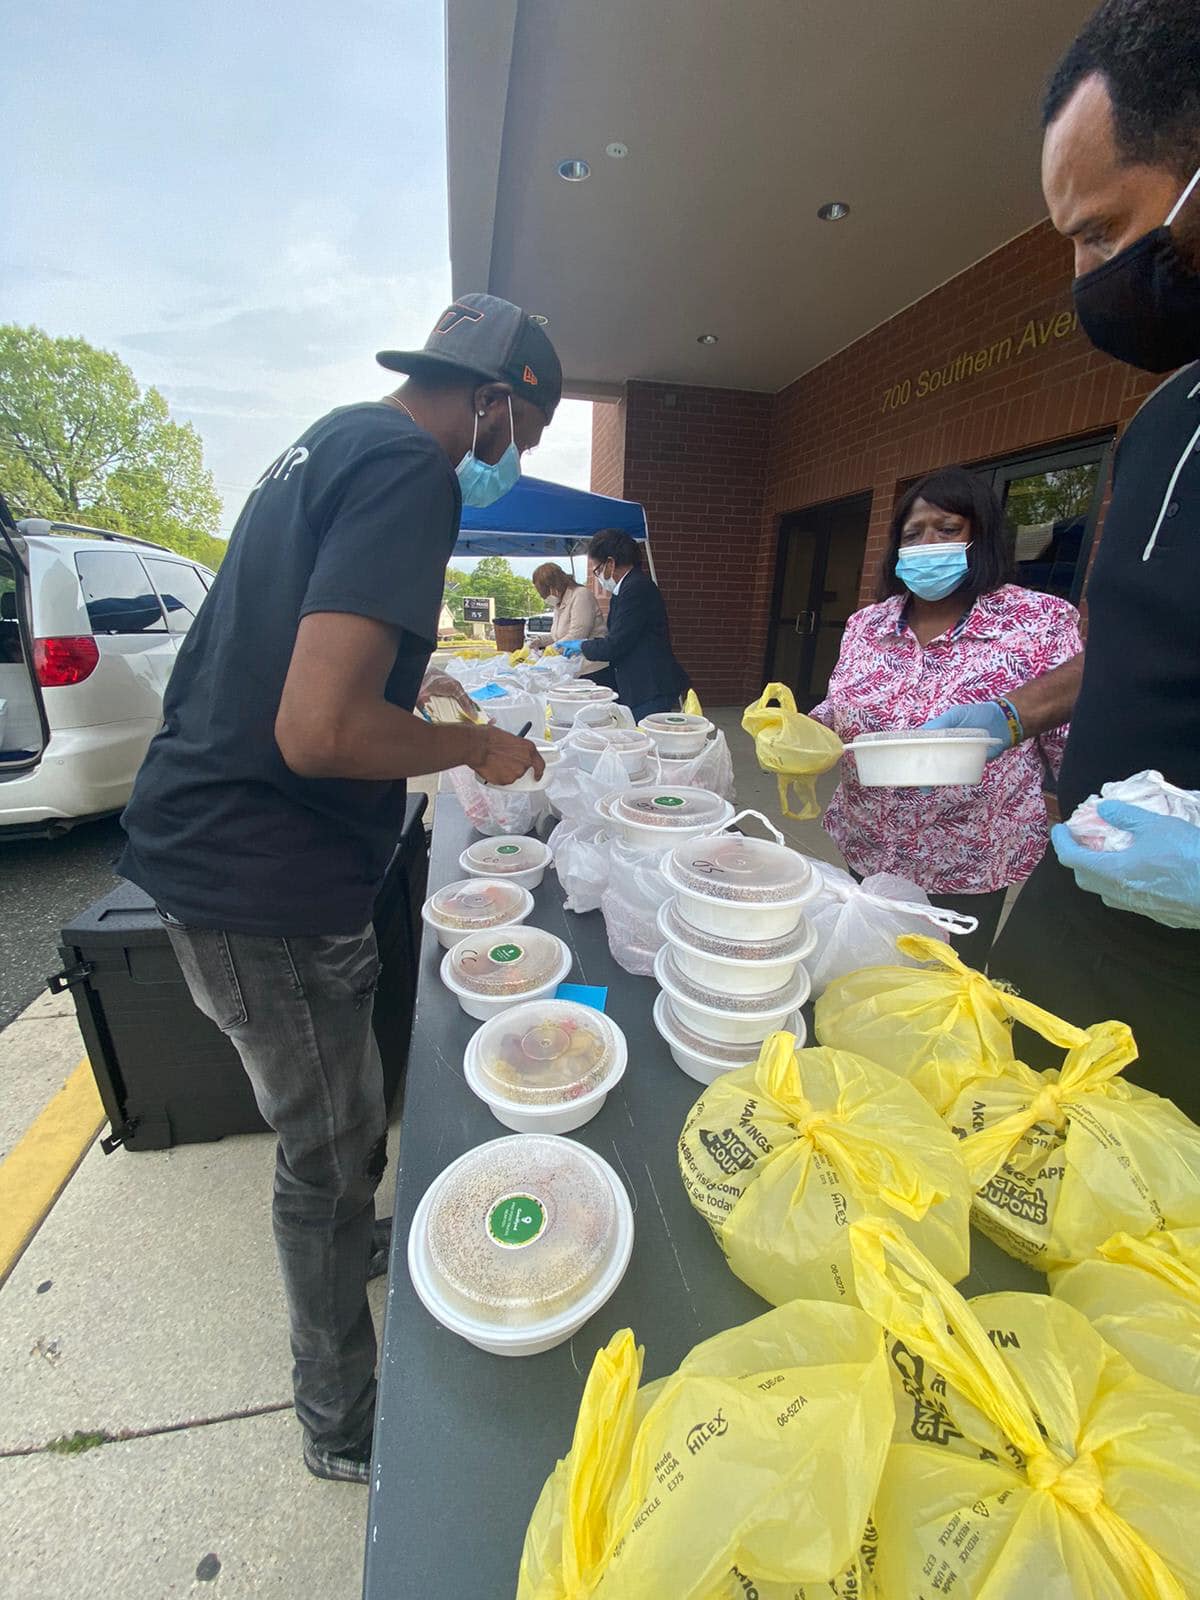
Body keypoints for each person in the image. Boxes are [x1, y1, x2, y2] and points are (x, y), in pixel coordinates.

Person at [119, 294, 560, 1484]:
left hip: (213, 846)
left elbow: (306, 662)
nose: (505, 460)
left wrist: (418, 700)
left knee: (344, 1122)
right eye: (516, 436)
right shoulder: (413, 471)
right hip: (259, 878)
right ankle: (340, 1418)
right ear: (492, 402)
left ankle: (355, 1243)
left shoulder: (330, 439)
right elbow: (319, 728)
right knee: (323, 1150)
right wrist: (474, 746)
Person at [933, 0, 1200, 1110]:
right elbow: (1140, 646)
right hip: (1065, 939)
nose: (1087, 274)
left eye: (1101, 231)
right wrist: (1015, 714)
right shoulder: (1166, 415)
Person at [811, 467, 1082, 970]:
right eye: (913, 534)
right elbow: (839, 707)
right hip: (868, 843)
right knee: (865, 975)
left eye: (948, 529)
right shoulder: (868, 624)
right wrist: (803, 731)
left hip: (968, 861)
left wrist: (1089, 824)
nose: (927, 545)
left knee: (942, 988)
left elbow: (1072, 742)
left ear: (981, 536)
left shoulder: (1038, 622)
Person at [558, 529, 690, 721]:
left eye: (597, 570)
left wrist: (583, 646)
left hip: (649, 685)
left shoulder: (636, 588)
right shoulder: (624, 589)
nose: (598, 576)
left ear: (610, 563)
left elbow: (617, 643)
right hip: (637, 682)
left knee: (642, 734)